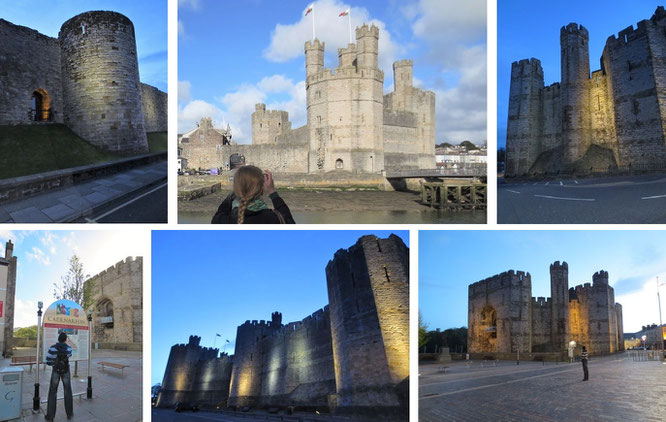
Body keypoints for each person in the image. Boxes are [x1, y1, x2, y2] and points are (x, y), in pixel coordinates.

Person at [211, 165, 295, 224]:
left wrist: (238, 189)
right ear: (262, 190)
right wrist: (272, 192)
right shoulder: (274, 219)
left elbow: (221, 210)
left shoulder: (222, 221)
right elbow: (290, 223)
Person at [45, 332, 73, 420]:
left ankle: (50, 415)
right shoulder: (69, 348)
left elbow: (48, 361)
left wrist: (54, 363)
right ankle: (69, 414)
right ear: (65, 339)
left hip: (55, 371)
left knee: (52, 392)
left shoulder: (52, 348)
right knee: (68, 391)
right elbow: (69, 355)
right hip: (66, 371)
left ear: (58, 339)